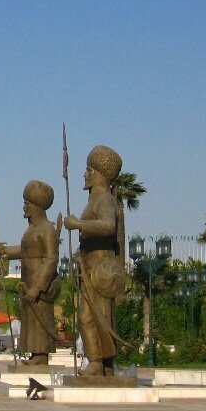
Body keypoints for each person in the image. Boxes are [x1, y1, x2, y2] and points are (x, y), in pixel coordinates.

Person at [64, 145, 126, 376]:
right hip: (89, 264)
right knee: (92, 315)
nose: (85, 173)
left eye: (88, 169)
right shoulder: (95, 200)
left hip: (101, 267)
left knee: (93, 316)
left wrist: (79, 225)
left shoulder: (105, 200)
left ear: (99, 173)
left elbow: (108, 226)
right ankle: (102, 364)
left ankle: (98, 362)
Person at [0, 180, 60, 366]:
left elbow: (51, 259)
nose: (24, 207)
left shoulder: (47, 229)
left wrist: (38, 287)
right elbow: (25, 251)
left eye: (27, 203)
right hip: (28, 282)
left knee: (41, 318)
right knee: (31, 320)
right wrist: (6, 251)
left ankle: (41, 355)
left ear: (37, 206)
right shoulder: (32, 229)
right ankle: (34, 353)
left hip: (40, 285)